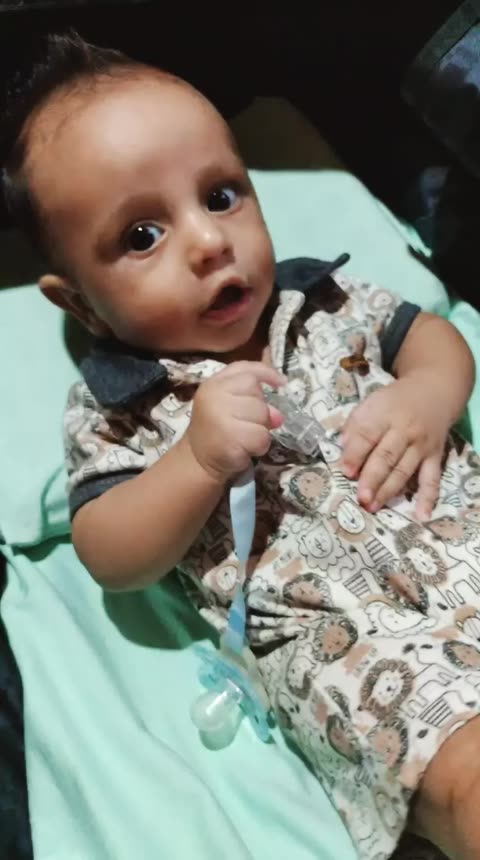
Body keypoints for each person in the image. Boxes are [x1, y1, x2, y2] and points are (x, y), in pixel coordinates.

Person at [3, 30, 480, 860]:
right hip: (350, 646)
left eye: (221, 196)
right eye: (142, 236)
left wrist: (429, 395)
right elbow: (110, 553)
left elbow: (433, 336)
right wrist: (193, 462)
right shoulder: (121, 408)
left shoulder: (322, 297)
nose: (208, 242)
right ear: (79, 304)